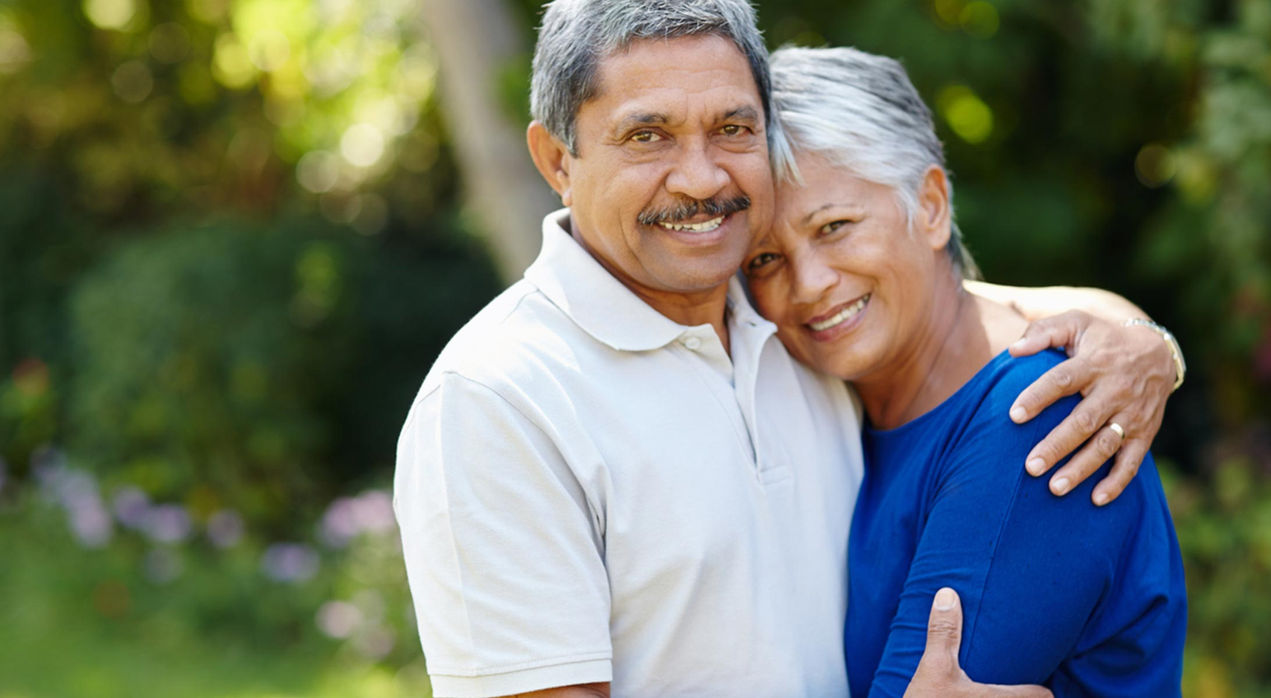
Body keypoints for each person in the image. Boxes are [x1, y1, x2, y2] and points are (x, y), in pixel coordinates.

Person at [394, 1, 1181, 695]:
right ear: (557, 160)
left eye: (731, 128)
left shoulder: (789, 332)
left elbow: (965, 311)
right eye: (648, 134)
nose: (699, 179)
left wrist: (1142, 341)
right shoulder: (499, 398)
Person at [744, 46, 1187, 696]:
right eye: (763, 260)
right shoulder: (835, 402)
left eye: (835, 227)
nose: (807, 285)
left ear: (929, 206)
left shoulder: (1038, 415)